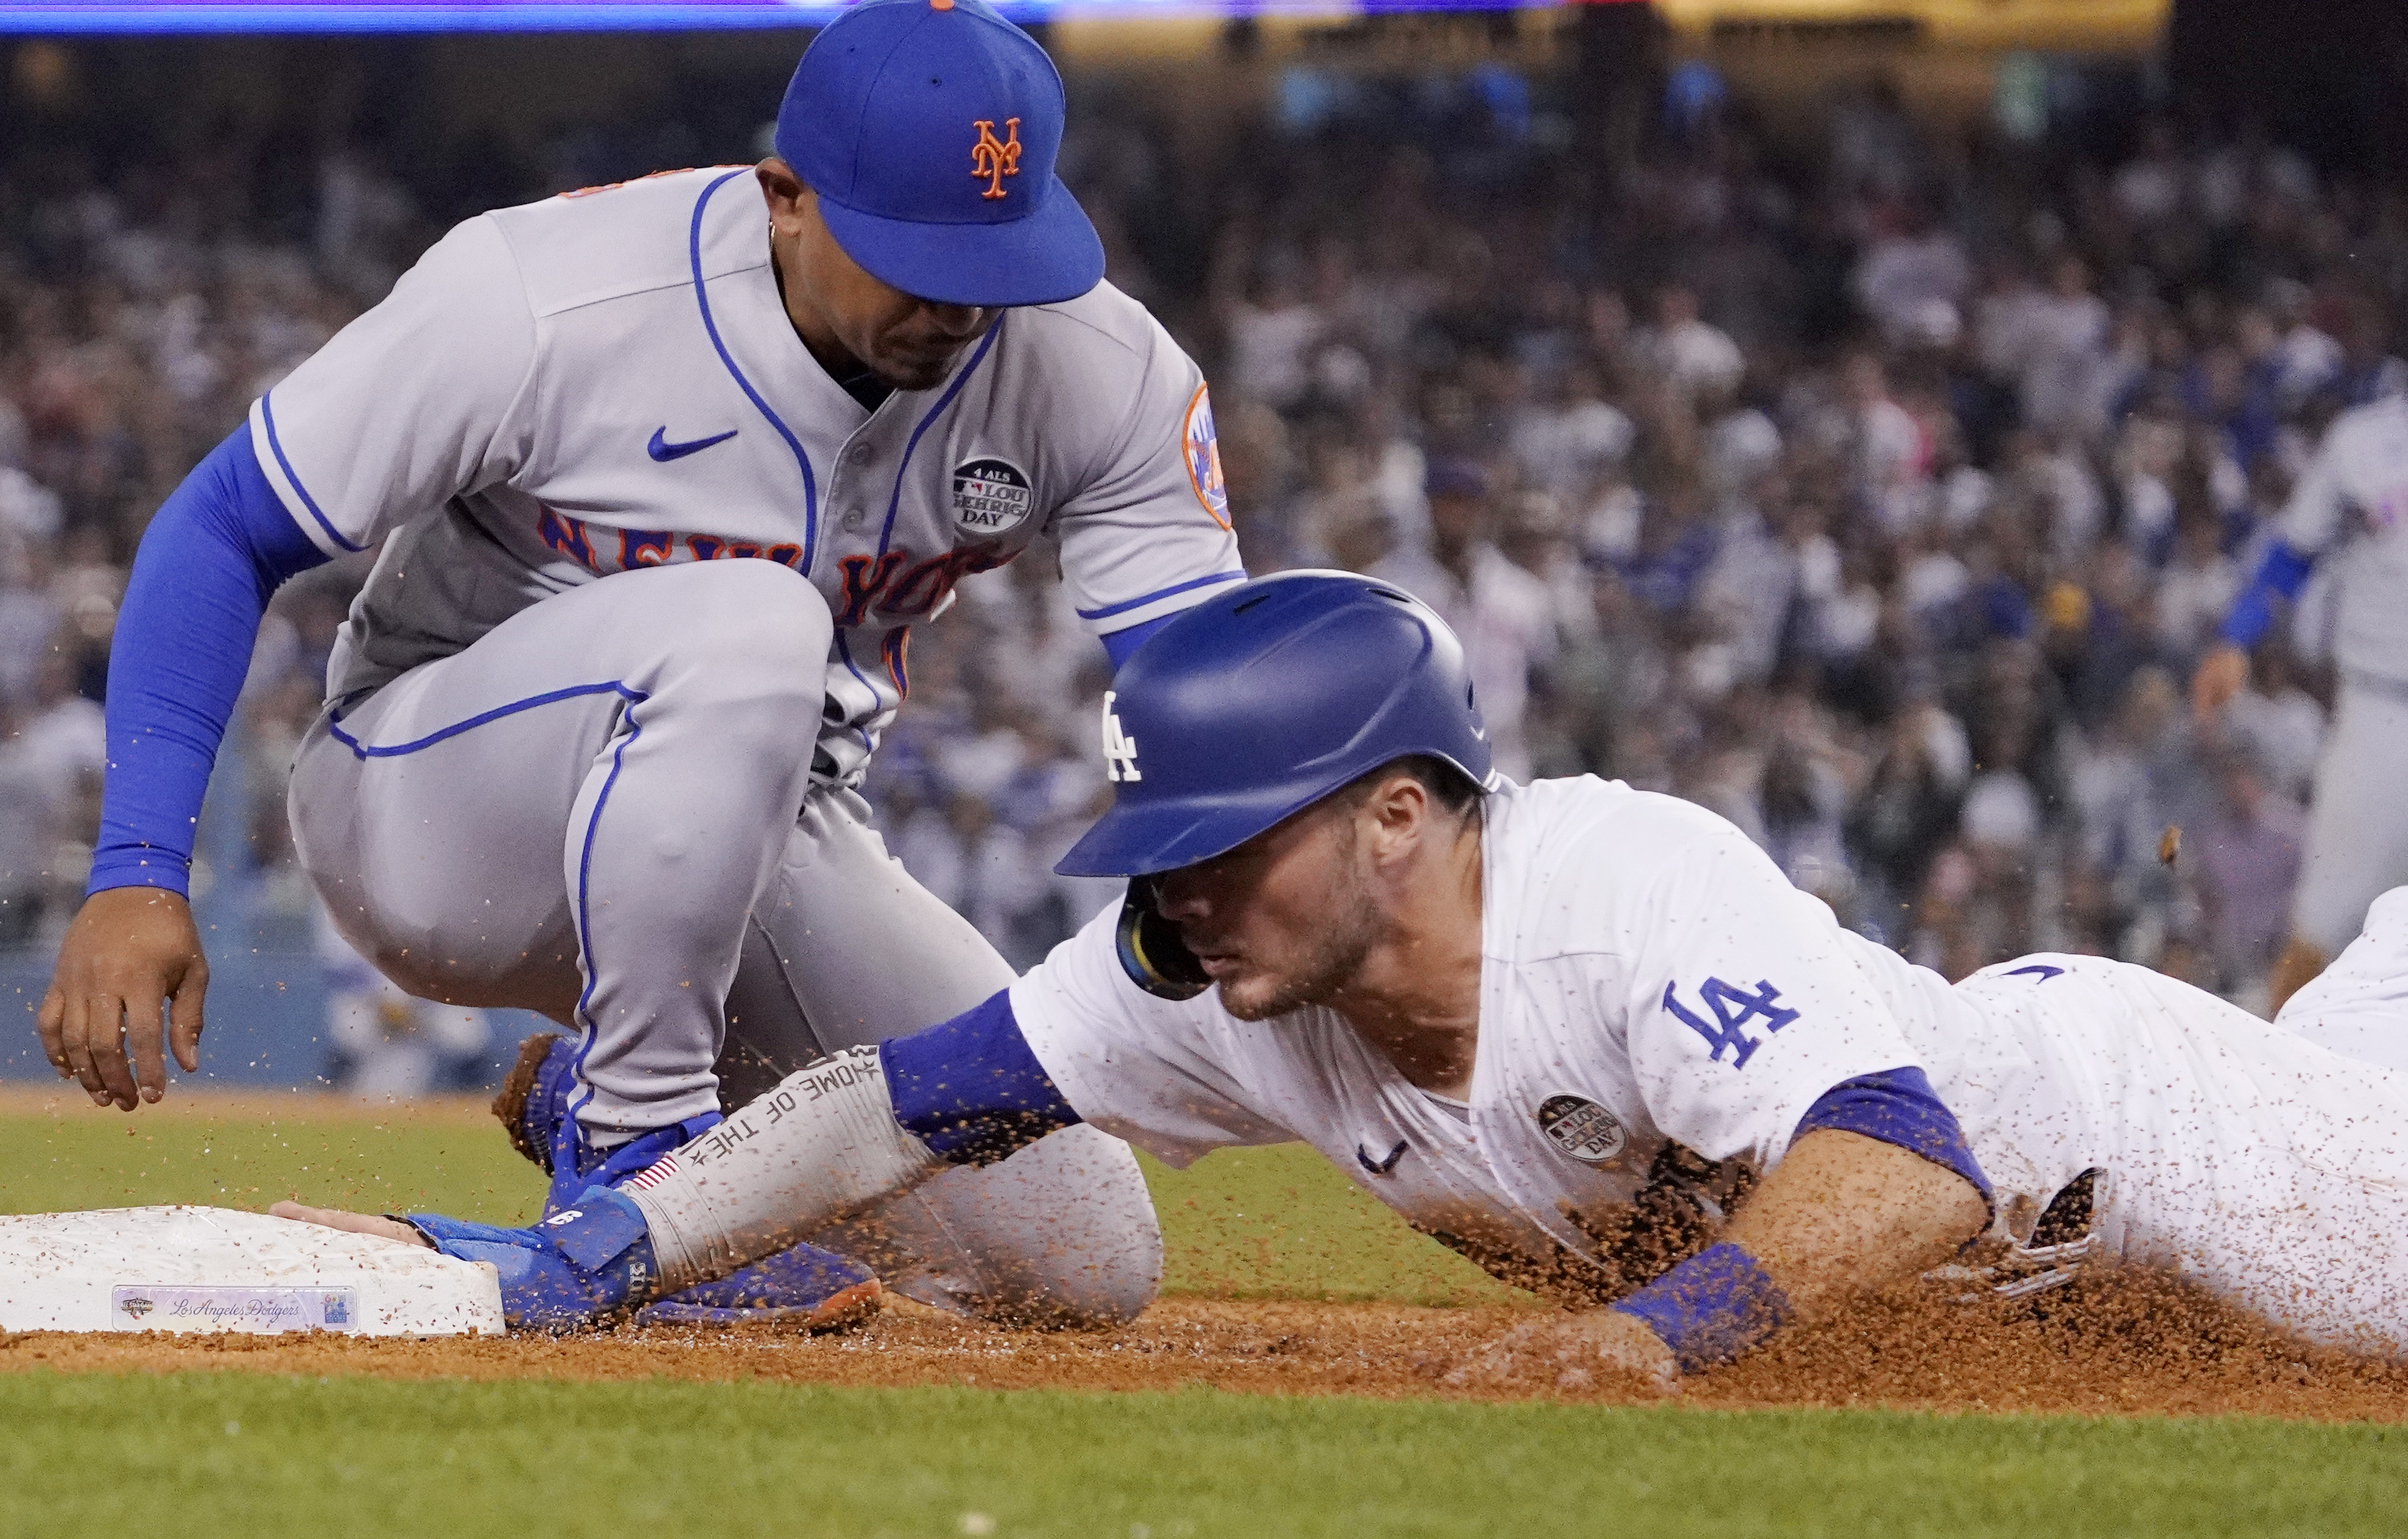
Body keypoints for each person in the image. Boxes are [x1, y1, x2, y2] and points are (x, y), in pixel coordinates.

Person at [286, 572, 2408, 1382]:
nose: (1180, 891)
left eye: (1229, 838)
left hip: (2150, 1148)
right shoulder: (1211, 977)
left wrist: (1648, 1347)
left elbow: (1903, 1160)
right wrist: (612, 1245)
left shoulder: (1618, 893)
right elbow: (889, 1101)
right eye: (1161, 849)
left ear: (1399, 814)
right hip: (2045, 1218)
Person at [39, 0, 1249, 1328]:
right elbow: (220, 527)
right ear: (785, 196)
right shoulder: (550, 293)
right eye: (918, 257)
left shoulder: (1101, 371)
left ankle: (600, 1105)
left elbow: (1201, 686)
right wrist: (138, 871)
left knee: (1083, 1265)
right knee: (755, 621)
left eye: (997, 259)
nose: (964, 304)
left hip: (755, 836)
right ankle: (634, 1167)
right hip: (434, 807)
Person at [2193, 383, 2408, 1012]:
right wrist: (2235, 639)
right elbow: (2291, 552)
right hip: (2381, 710)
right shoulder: (2363, 443)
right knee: (2324, 919)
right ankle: (2273, 1077)